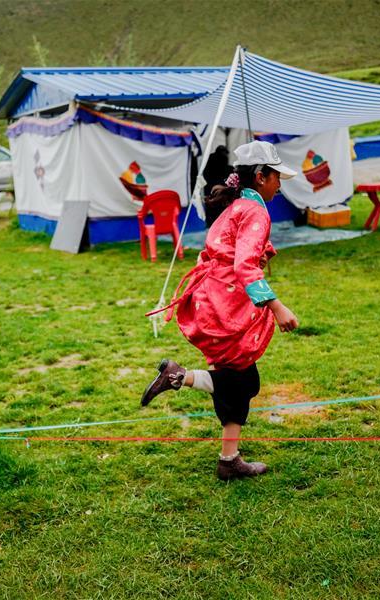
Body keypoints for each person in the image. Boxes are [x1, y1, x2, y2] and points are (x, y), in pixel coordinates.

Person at [141, 141, 300, 480]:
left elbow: (217, 251)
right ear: (260, 177)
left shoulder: (234, 206)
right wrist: (277, 306)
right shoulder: (254, 210)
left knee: (238, 379)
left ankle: (225, 453)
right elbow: (244, 267)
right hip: (227, 305)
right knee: (241, 380)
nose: (280, 184)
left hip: (210, 301)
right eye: (276, 177)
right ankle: (182, 382)